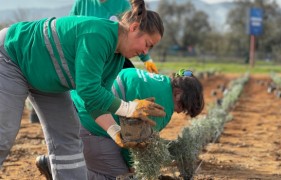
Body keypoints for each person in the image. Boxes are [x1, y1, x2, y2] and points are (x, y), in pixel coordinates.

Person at [0, 0, 165, 179]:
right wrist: (130, 108)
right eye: (147, 44)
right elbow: (89, 91)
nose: (144, 52)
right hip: (13, 56)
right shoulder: (98, 34)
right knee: (4, 131)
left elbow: (95, 101)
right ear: (133, 28)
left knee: (67, 134)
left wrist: (115, 131)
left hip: (46, 76)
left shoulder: (116, 59)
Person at [36, 68, 205, 179]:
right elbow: (135, 143)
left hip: (71, 104)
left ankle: (62, 164)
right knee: (119, 176)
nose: (177, 111)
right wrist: (134, 169)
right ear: (179, 93)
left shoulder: (158, 80)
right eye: (182, 107)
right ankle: (59, 170)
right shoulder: (164, 106)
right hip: (86, 122)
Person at [28, 0, 159, 124]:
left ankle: (120, 113)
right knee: (83, 82)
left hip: (113, 52)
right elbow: (73, 20)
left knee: (119, 77)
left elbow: (136, 34)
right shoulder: (83, 3)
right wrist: (127, 108)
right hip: (85, 49)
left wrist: (146, 59)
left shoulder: (121, 3)